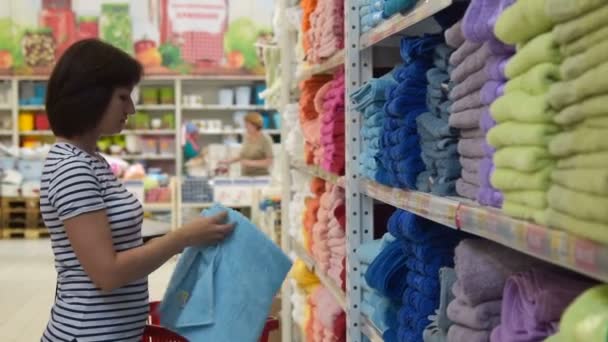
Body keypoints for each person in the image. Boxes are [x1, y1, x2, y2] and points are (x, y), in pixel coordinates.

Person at [40, 39, 234, 342]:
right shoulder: (72, 169)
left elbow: (115, 246)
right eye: (122, 96)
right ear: (91, 96)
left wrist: (185, 238)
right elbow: (107, 273)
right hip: (89, 334)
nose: (130, 107)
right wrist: (181, 237)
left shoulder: (91, 161)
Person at [219, 112, 274, 176]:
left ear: (255, 125)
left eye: (247, 124)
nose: (245, 127)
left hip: (261, 177)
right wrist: (228, 161)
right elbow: (242, 156)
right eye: (245, 124)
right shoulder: (246, 136)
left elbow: (269, 161)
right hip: (245, 175)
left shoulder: (265, 139)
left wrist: (250, 163)